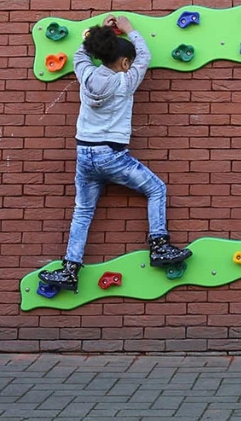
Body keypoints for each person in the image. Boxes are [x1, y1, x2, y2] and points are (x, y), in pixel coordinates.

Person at [39, 16, 191, 292]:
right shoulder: (125, 81)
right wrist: (129, 29)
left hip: (84, 154)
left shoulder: (86, 76)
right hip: (112, 155)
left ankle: (70, 269)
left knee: (83, 211)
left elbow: (80, 55)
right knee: (156, 189)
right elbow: (145, 56)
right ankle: (159, 246)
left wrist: (102, 34)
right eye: (128, 63)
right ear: (124, 63)